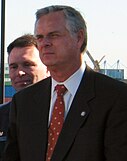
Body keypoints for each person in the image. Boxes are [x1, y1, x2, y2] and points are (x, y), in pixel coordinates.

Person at [3, 5, 127, 161]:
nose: (45, 43)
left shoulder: (115, 98)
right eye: (40, 37)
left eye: (53, 35)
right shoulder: (23, 102)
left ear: (79, 37)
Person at [0, 34, 50, 161]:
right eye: (13, 67)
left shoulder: (61, 113)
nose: (20, 73)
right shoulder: (1, 116)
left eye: (27, 64)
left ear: (48, 68)